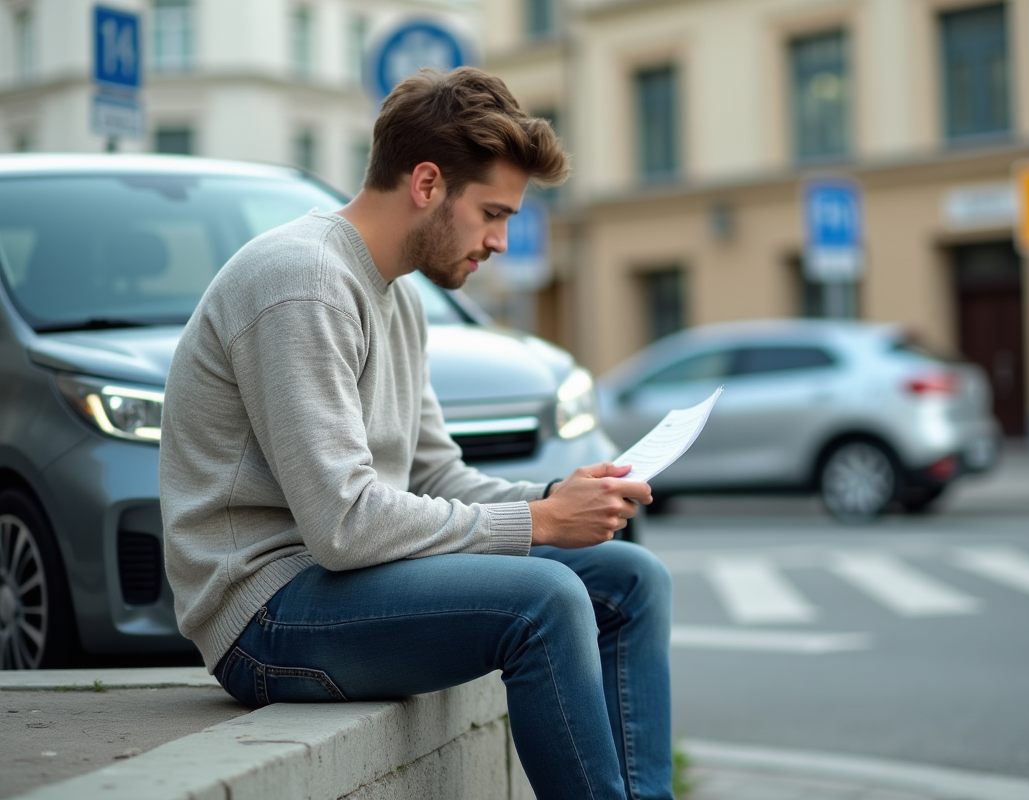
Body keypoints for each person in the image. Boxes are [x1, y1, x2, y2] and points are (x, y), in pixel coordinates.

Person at [159, 67, 674, 800]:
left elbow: (435, 476)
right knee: (548, 600)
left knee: (632, 578)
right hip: (268, 616)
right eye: (492, 213)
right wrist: (537, 524)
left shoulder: (398, 298)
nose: (499, 241)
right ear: (427, 183)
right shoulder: (302, 280)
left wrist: (558, 496)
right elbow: (342, 524)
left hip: (345, 587)